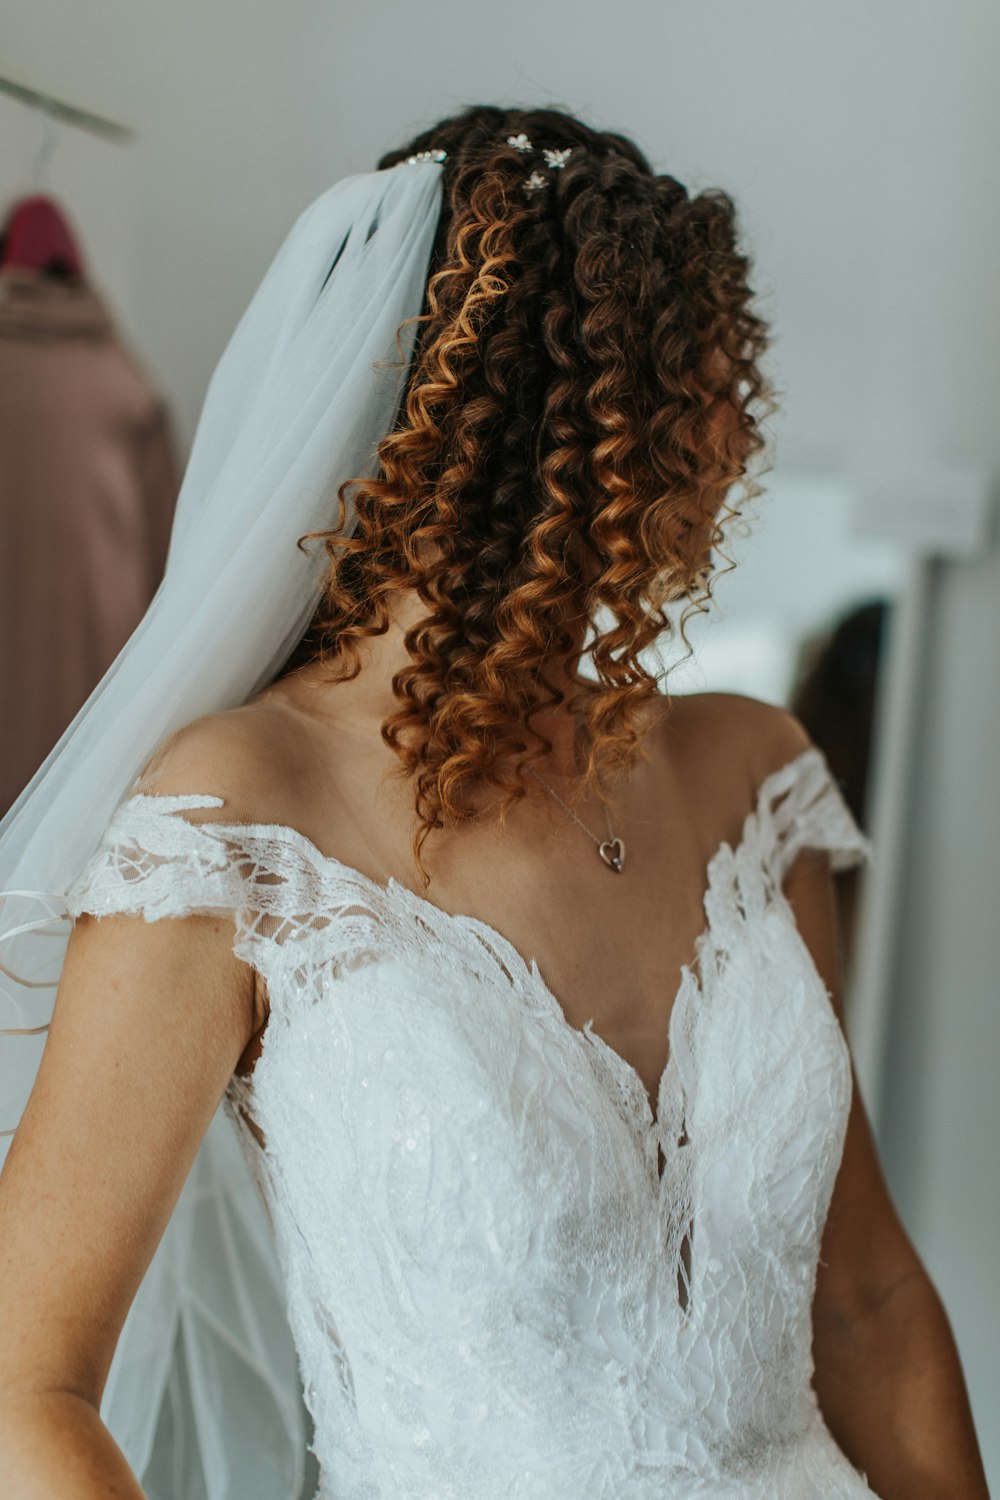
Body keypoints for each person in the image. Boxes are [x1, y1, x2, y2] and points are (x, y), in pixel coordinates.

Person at [0, 104, 989, 1500]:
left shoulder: (750, 776)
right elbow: (21, 1384)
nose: (732, 439)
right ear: (555, 425)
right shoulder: (241, 819)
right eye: (693, 382)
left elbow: (868, 1306)